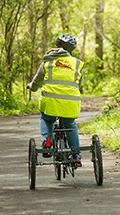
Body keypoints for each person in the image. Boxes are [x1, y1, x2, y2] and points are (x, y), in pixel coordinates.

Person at [27, 34, 85, 164]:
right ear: (72, 50)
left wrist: (32, 87)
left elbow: (37, 82)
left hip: (50, 102)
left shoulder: (47, 61)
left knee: (46, 119)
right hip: (70, 103)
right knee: (70, 124)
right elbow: (79, 84)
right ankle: (76, 155)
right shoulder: (77, 64)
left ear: (56, 46)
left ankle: (47, 140)